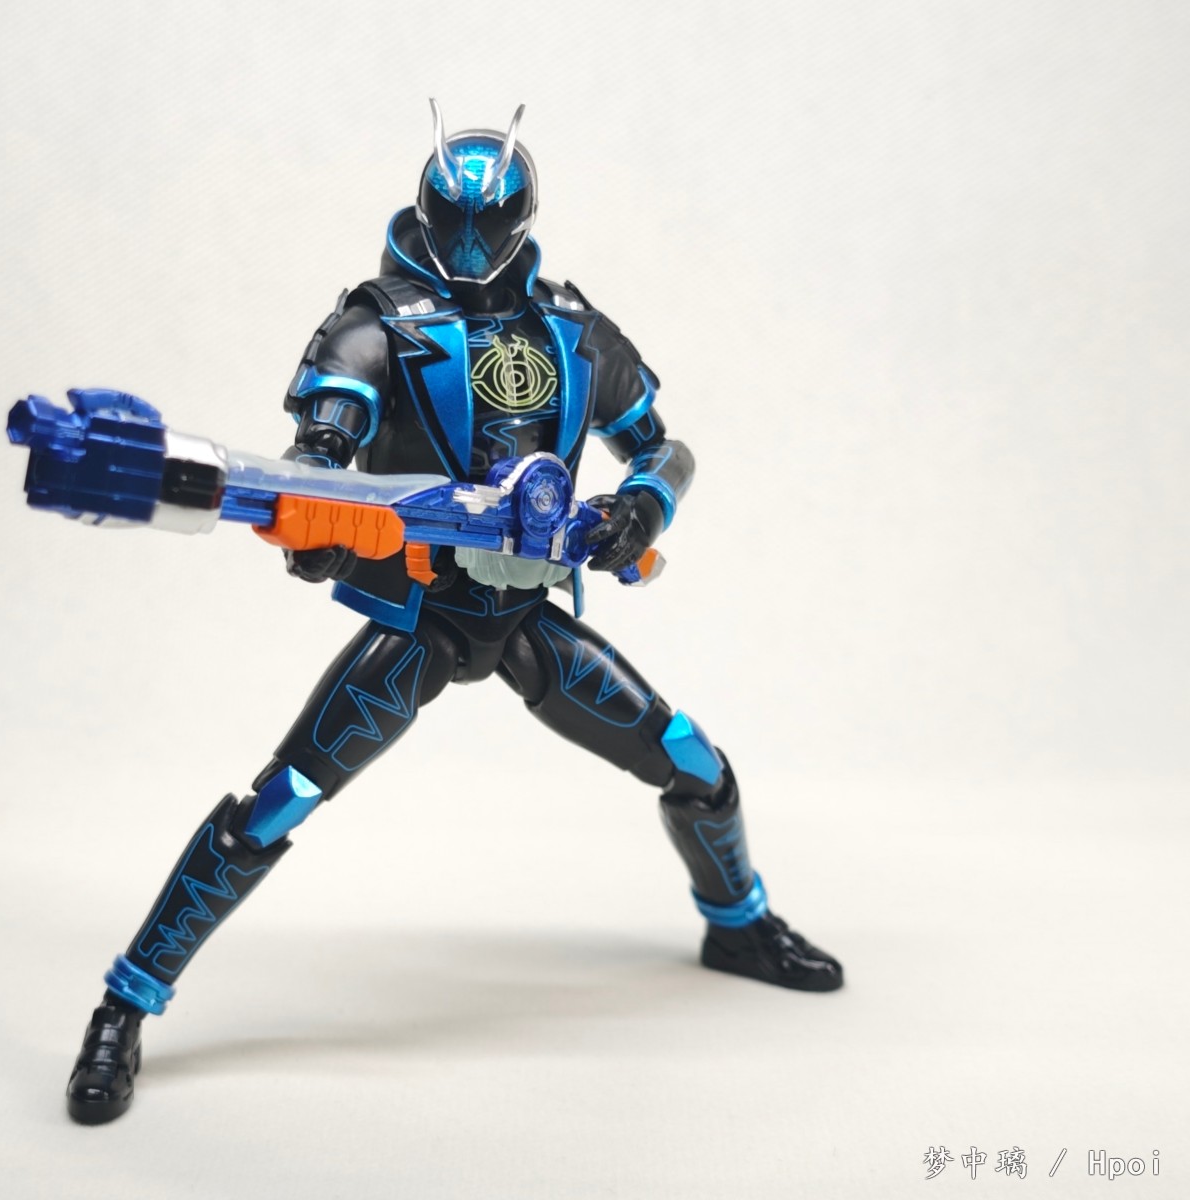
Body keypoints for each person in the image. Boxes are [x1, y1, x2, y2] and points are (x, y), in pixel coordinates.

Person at [66, 102, 842, 1126]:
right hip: (422, 614)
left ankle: (737, 922)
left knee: (695, 764)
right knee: (280, 800)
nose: (470, 243)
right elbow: (317, 458)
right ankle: (124, 1003)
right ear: (428, 208)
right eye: (454, 220)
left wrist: (639, 509)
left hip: (522, 616)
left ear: (522, 217)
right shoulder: (375, 323)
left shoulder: (571, 327)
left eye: (490, 222)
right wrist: (313, 522)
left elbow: (663, 448)